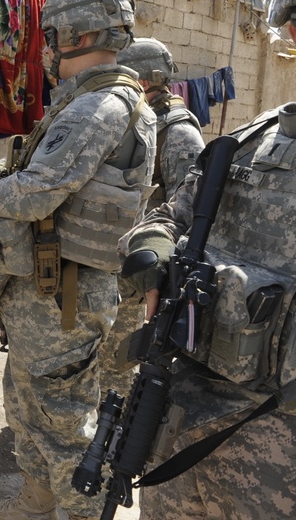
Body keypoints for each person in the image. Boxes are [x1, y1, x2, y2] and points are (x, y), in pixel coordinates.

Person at [0, 0, 156, 520]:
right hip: (50, 286)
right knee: (28, 402)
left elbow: (38, 193)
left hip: (63, 292)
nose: (48, 47)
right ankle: (35, 502)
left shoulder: (99, 107)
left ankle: (79, 513)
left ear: (80, 34)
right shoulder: (94, 101)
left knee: (59, 416)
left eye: (55, 35)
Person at [116, 0, 296, 520]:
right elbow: (172, 215)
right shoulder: (248, 144)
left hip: (282, 444)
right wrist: (151, 248)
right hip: (183, 412)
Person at [99, 38, 205, 395]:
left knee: (118, 361)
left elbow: (186, 208)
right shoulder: (139, 120)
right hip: (115, 258)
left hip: (139, 269)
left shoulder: (178, 132)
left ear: (145, 80)